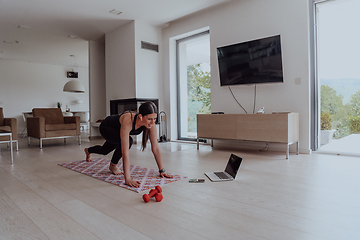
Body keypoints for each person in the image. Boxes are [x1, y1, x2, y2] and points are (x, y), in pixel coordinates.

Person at [84, 101, 172, 188]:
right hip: (107, 127)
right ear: (141, 117)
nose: (152, 122)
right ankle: (113, 165)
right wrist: (128, 179)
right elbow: (125, 152)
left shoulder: (151, 124)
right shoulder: (128, 120)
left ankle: (88, 150)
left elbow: (156, 148)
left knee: (104, 150)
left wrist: (162, 170)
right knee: (126, 142)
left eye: (155, 119)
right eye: (149, 119)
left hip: (118, 131)